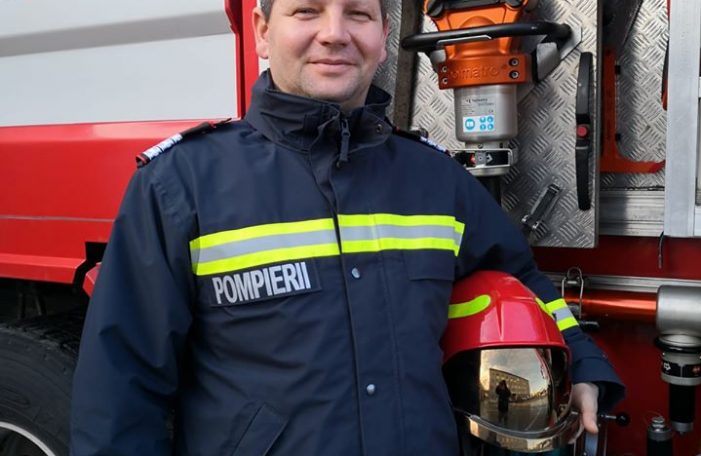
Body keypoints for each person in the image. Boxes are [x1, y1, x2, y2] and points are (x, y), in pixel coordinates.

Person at [70, 0, 624, 454]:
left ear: (383, 37)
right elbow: (121, 390)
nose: (335, 34)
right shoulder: (181, 186)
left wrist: (581, 362)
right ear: (262, 31)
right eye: (307, 11)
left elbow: (520, 277)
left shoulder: (437, 181)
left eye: (358, 14)